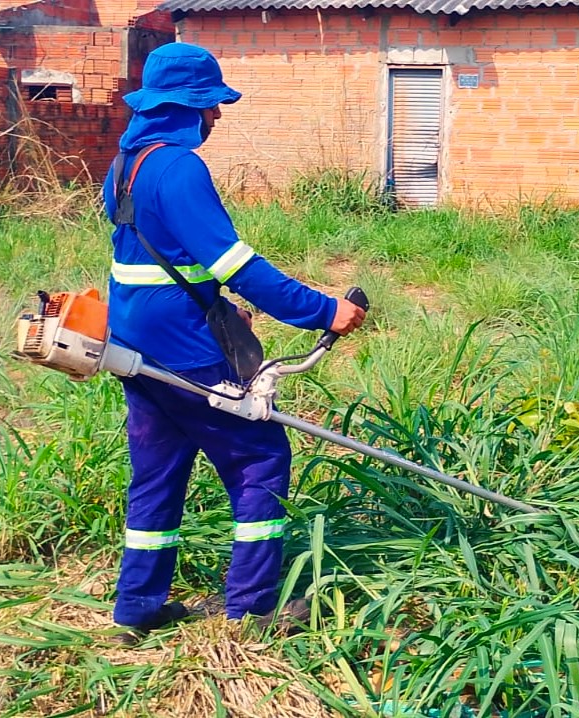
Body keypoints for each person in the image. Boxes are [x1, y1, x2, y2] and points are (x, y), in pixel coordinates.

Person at [102, 42, 366, 643]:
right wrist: (326, 311)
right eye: (209, 105)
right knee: (259, 458)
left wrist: (215, 305)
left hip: (133, 343)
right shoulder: (179, 168)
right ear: (185, 109)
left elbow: (155, 259)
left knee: (156, 474)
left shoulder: (125, 167)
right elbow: (237, 264)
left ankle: (136, 608)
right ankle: (251, 608)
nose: (216, 116)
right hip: (186, 349)